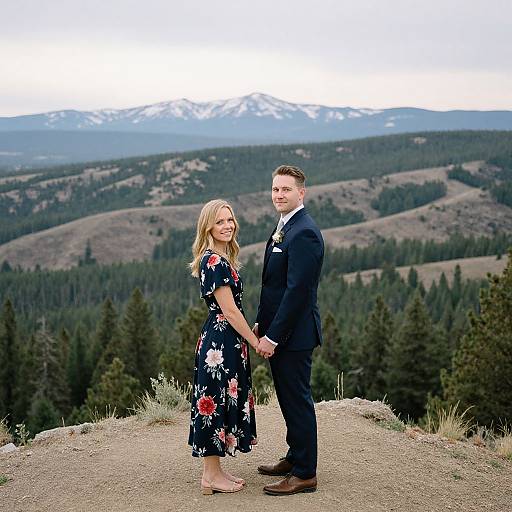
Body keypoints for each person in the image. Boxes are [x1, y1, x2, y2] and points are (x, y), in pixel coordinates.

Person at [254, 165, 324, 496]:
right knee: (287, 399)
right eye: (275, 189)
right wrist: (261, 323)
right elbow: (273, 285)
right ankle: (295, 457)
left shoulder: (305, 232)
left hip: (294, 337)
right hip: (280, 330)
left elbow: (297, 292)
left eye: (286, 189)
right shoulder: (285, 226)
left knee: (297, 401)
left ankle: (305, 473)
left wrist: (272, 336)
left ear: (301, 193)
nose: (279, 195)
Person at [188, 199, 259, 495]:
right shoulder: (214, 261)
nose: (227, 226)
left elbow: (232, 310)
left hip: (226, 341)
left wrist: (247, 334)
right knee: (213, 405)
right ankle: (209, 477)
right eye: (220, 221)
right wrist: (255, 342)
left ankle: (216, 472)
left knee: (218, 403)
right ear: (208, 227)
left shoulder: (219, 257)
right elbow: (229, 311)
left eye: (229, 220)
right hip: (220, 345)